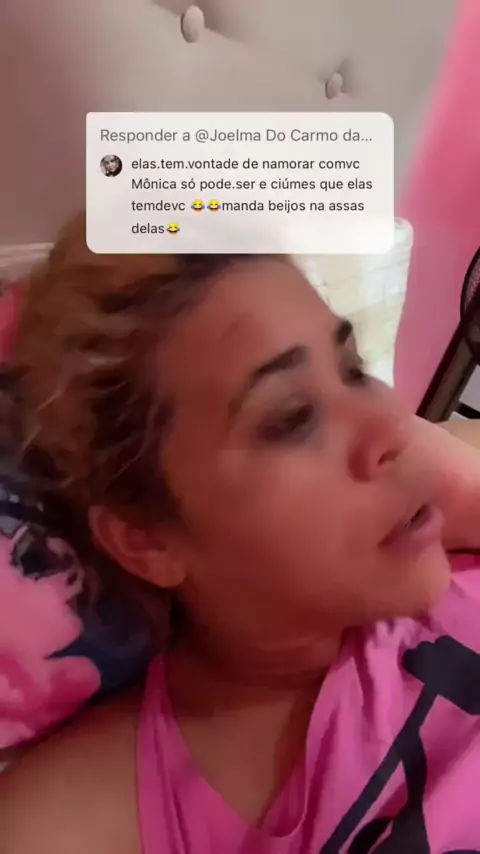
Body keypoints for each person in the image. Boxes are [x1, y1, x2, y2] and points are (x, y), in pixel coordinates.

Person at [3, 214, 480, 853]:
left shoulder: (448, 535)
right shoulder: (87, 818)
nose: (393, 428)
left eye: (354, 369)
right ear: (146, 540)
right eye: (292, 417)